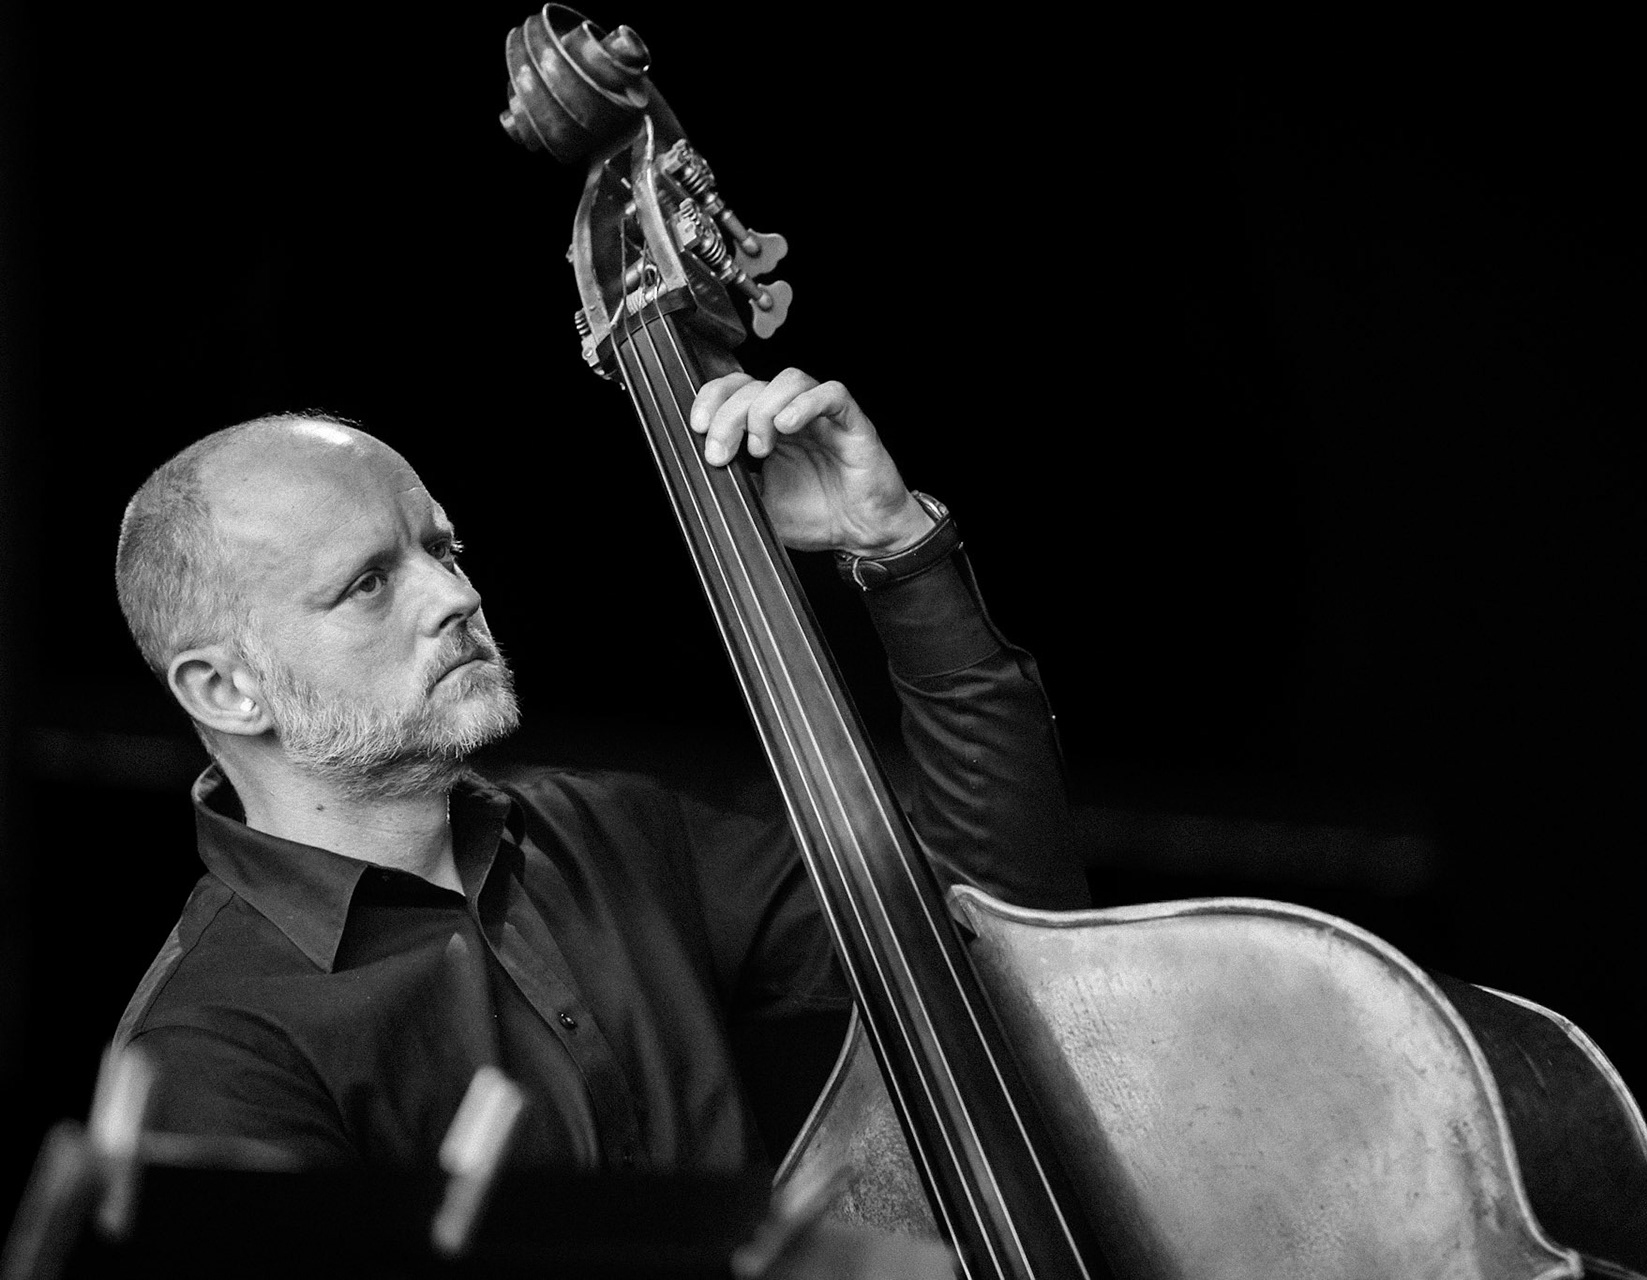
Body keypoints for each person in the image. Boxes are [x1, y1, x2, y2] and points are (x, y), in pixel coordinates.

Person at [110, 369, 1087, 1171]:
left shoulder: (619, 832)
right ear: (227, 689)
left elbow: (1000, 935)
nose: (456, 594)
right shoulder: (215, 1045)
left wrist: (898, 549)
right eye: (369, 583)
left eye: (443, 548)